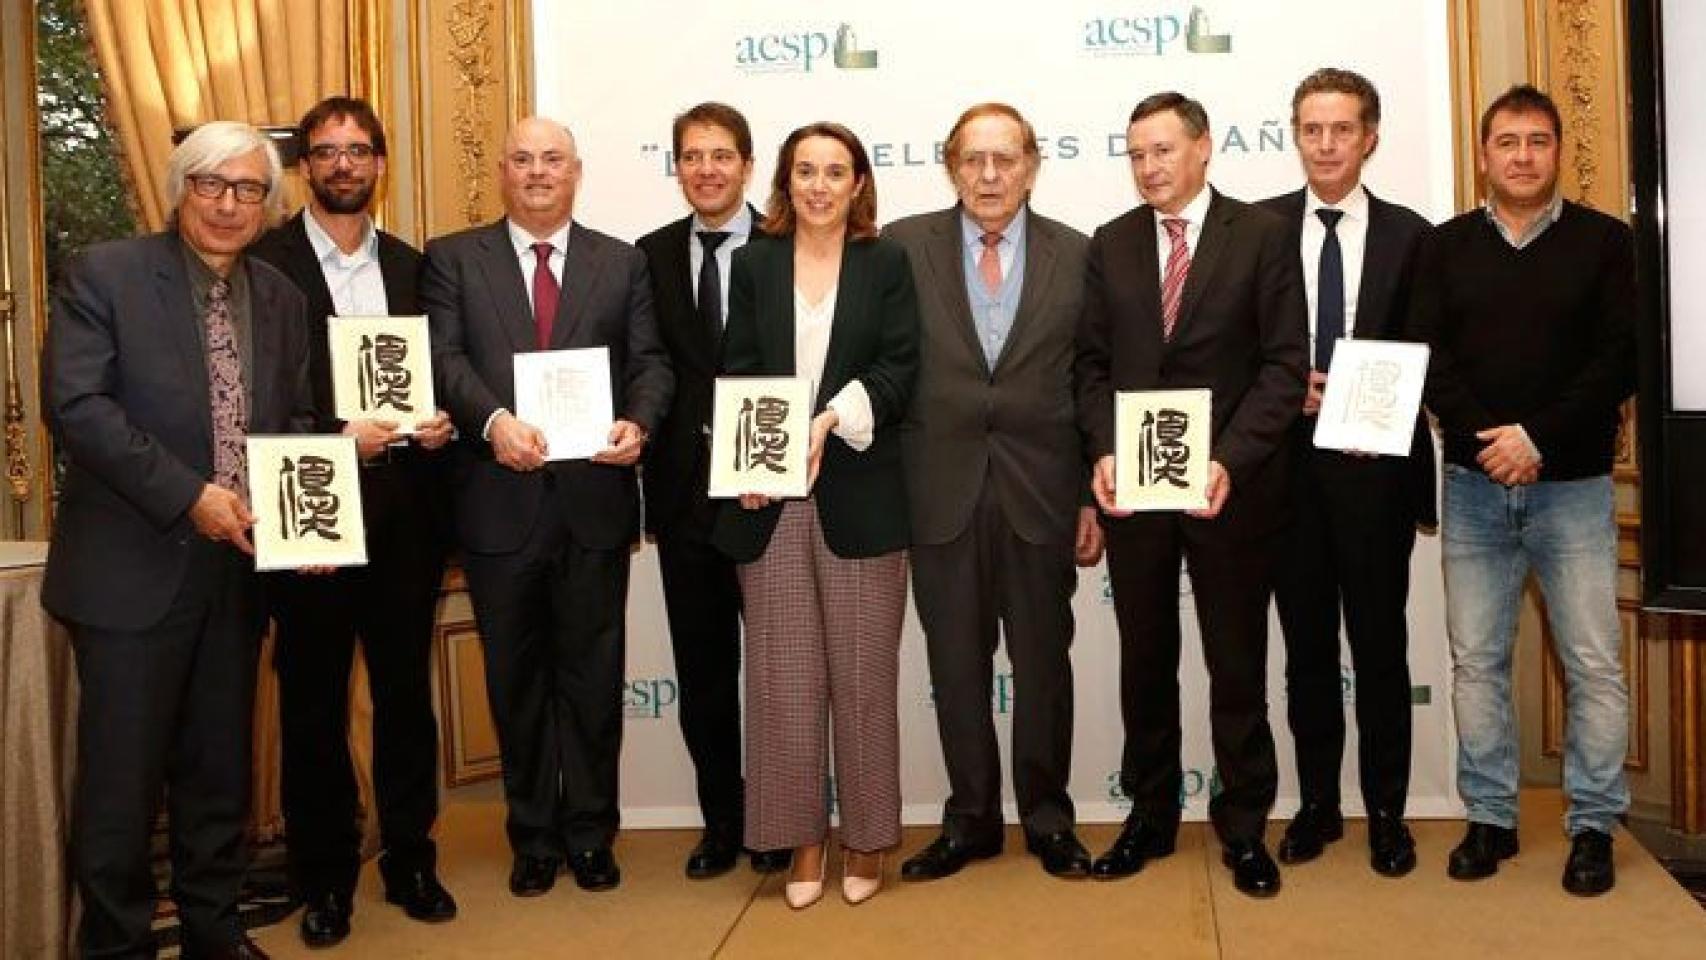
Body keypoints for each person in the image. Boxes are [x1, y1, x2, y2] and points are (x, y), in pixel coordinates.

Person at [44, 120, 314, 960]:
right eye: (210, 184)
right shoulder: (106, 274)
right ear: (178, 189)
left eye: (248, 189)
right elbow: (78, 408)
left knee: (217, 774)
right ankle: (116, 945)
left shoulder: (281, 298)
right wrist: (189, 496)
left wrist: (301, 511)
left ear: (268, 205)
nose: (229, 204)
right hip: (131, 573)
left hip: (235, 574)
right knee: (121, 787)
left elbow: (294, 420)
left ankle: (214, 931)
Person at [422, 117, 673, 896]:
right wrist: (493, 422)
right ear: (502, 171)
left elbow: (651, 363)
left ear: (576, 171)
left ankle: (591, 834)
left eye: (552, 159)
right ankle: (532, 837)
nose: (537, 171)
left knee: (593, 681)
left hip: (592, 503)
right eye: (523, 159)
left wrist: (639, 422)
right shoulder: (451, 258)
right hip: (497, 504)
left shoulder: (621, 262)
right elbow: (443, 358)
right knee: (516, 682)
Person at [1075, 91, 1307, 898]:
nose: (1149, 167)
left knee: (1237, 665)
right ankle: (1150, 817)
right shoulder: (1110, 242)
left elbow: (1284, 366)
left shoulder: (1263, 235)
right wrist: (1105, 449)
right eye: (1137, 154)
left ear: (1204, 147)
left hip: (1229, 492)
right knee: (1145, 662)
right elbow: (1090, 366)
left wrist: (1230, 459)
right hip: (1136, 494)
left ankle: (1244, 827)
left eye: (1164, 150)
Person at [1409, 84, 1635, 896]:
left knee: (1593, 665)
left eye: (1538, 141)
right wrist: (1492, 442)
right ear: (1483, 155)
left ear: (1558, 150)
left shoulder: (1607, 244)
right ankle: (1491, 818)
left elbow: (1620, 359)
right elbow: (1429, 359)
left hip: (1572, 488)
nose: (1523, 156)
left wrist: (1536, 438)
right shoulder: (1443, 247)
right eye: (1507, 142)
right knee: (1477, 664)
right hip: (1473, 489)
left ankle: (1594, 826)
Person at [249, 96, 457, 946]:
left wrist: (439, 423)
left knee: (406, 695)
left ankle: (410, 858)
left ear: (380, 162)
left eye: (359, 149)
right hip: (310, 504)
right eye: (328, 151)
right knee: (313, 700)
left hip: (406, 511)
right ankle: (324, 878)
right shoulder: (262, 262)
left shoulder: (414, 266)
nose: (344, 164)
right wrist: (338, 434)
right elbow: (256, 390)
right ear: (304, 166)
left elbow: (440, 370)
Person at [884, 103, 1101, 882]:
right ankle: (970, 820)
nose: (988, 175)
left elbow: (1091, 379)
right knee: (956, 668)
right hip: (938, 493)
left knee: (1043, 668)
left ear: (1032, 166)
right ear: (951, 167)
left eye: (1004, 159)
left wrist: (1089, 492)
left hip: (1042, 494)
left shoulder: (1078, 253)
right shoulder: (900, 247)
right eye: (972, 159)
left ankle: (1048, 819)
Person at [712, 122, 919, 909]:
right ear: (785, 181)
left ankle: (865, 836)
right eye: (806, 171)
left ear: (859, 183)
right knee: (783, 682)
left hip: (860, 493)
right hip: (770, 501)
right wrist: (750, 464)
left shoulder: (886, 262)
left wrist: (829, 420)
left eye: (836, 172)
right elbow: (739, 369)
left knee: (863, 680)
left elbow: (899, 368)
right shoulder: (755, 263)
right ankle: (802, 839)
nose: (820, 186)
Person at [1258, 68, 1434, 878]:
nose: (1325, 144)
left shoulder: (1413, 235)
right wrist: (1283, 386)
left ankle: (1388, 813)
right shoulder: (1257, 230)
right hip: (1286, 469)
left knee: (1380, 645)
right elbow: (1231, 347)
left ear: (1370, 137)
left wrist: (1384, 407)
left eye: (1342, 129)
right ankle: (1319, 806)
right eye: (1311, 129)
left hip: (1376, 474)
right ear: (1296, 136)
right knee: (1305, 651)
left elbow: (1436, 350)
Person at [635, 102, 788, 878]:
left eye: (722, 155)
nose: (707, 169)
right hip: (684, 498)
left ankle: (780, 819)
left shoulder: (789, 245)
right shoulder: (650, 255)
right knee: (702, 673)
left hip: (771, 497)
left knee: (780, 672)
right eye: (692, 156)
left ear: (748, 165)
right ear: (676, 168)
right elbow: (646, 364)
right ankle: (722, 821)